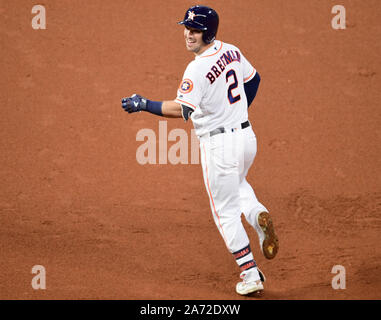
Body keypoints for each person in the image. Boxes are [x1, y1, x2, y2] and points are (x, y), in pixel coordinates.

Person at [121, 5, 279, 296]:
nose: (187, 34)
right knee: (239, 183)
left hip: (220, 146)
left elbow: (181, 109)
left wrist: (144, 104)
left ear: (208, 32)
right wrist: (235, 112)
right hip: (246, 138)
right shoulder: (231, 50)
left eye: (194, 30)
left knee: (224, 212)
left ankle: (250, 274)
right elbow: (254, 80)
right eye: (186, 27)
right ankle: (257, 214)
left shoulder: (198, 67)